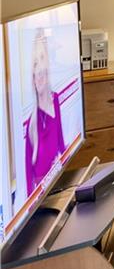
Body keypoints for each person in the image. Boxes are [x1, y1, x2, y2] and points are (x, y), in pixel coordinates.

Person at [24, 30, 65, 195]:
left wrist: (63, 161)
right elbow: (28, 167)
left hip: (56, 176)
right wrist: (31, 200)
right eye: (35, 73)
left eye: (42, 73)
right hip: (41, 183)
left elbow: (60, 141)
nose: (39, 77)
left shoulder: (55, 99)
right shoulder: (32, 121)